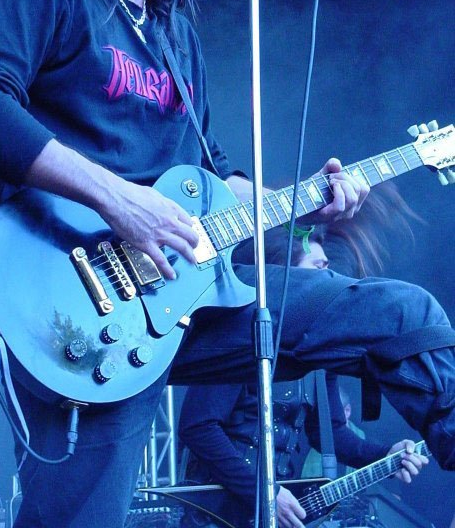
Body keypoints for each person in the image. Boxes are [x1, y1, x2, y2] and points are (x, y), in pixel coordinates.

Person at [0, 0, 455, 528]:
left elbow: (211, 177)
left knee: (404, 316)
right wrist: (120, 202)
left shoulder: (175, 38)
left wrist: (304, 203)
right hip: (73, 307)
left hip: (191, 297)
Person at [179, 202, 428, 528]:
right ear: (288, 274)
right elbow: (198, 426)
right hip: (217, 514)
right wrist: (264, 493)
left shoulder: (319, 353)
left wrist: (385, 456)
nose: (329, 277)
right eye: (318, 267)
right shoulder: (243, 336)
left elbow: (331, 434)